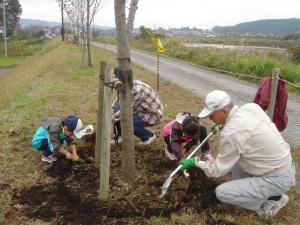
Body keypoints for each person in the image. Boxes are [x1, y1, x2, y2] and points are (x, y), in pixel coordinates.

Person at [180, 90, 296, 217]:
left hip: (277, 177)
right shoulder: (251, 108)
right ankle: (260, 189)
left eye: (212, 115)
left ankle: (273, 200)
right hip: (283, 165)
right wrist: (224, 124)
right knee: (235, 163)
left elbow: (216, 170)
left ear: (223, 111)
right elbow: (247, 128)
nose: (211, 119)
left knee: (222, 193)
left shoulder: (232, 134)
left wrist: (196, 162)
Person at [112, 80, 163, 145]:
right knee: (117, 114)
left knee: (128, 123)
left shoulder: (136, 91)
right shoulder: (126, 85)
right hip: (141, 109)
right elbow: (118, 101)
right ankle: (120, 136)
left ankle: (148, 136)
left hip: (152, 114)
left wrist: (114, 117)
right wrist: (112, 110)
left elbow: (128, 110)